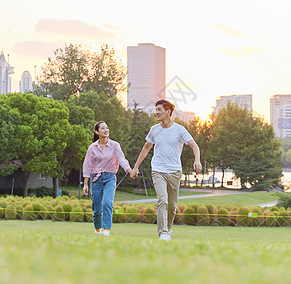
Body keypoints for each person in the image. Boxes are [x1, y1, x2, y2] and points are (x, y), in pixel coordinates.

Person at [131, 100, 202, 241]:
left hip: (175, 171)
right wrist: (136, 166)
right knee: (162, 200)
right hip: (158, 170)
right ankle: (163, 232)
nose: (156, 112)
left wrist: (197, 160)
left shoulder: (180, 130)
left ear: (168, 111)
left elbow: (194, 145)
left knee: (172, 206)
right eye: (156, 109)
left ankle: (168, 229)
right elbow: (146, 148)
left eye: (159, 109)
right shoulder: (154, 130)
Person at [83, 121, 133, 236]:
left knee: (107, 203)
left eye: (107, 128)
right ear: (97, 132)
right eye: (103, 128)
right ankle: (98, 230)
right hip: (96, 179)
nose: (106, 130)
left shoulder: (115, 145)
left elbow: (122, 160)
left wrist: (130, 170)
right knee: (96, 208)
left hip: (110, 178)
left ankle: (106, 230)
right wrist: (86, 184)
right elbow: (87, 165)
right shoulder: (92, 148)